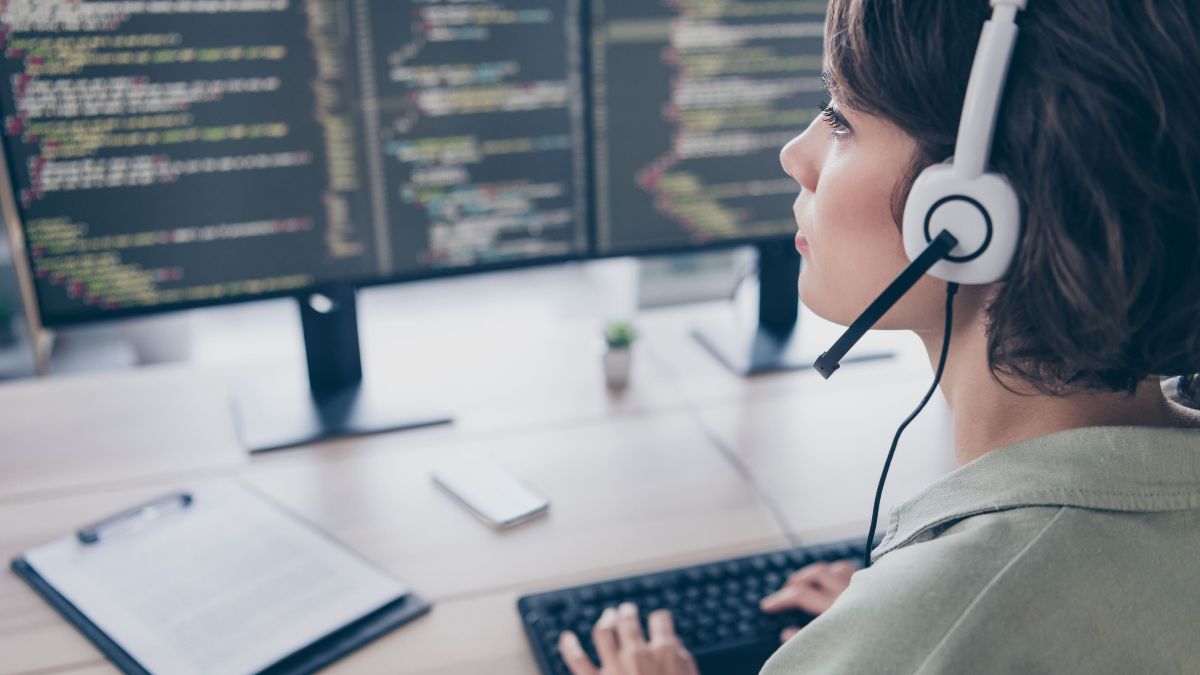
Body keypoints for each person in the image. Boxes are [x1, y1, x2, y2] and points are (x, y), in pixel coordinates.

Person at [556, 0, 1200, 672]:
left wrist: (902, 628)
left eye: (840, 118)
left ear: (967, 212)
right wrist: (899, 609)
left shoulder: (919, 639)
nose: (793, 154)